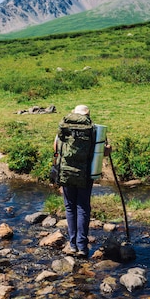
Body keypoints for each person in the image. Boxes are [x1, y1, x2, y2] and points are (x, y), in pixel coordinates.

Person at [53, 104, 110, 258]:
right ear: (87, 115)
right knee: (82, 207)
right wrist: (108, 149)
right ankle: (82, 247)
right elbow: (101, 151)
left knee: (70, 207)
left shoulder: (65, 125)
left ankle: (72, 246)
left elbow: (56, 147)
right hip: (84, 174)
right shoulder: (92, 129)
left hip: (65, 173)